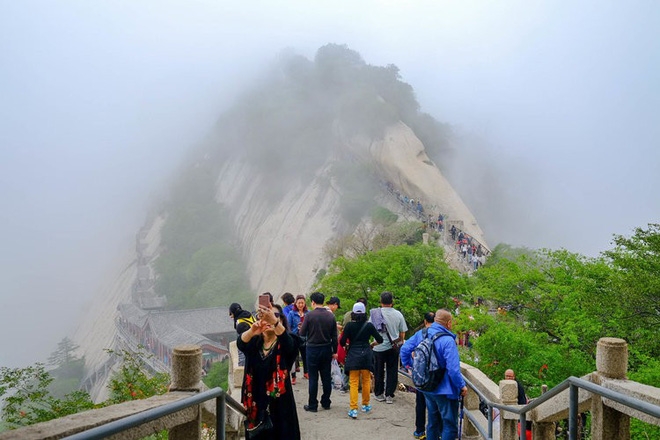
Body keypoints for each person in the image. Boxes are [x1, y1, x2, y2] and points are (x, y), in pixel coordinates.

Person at [400, 309, 467, 440]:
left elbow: (404, 349)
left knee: (432, 422)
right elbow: (453, 370)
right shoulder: (448, 340)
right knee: (449, 425)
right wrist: (462, 386)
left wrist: (410, 367)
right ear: (448, 323)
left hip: (426, 386)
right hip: (444, 390)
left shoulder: (422, 333)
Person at [237, 302, 300, 440]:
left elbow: (290, 346)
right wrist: (252, 331)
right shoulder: (254, 344)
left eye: (275, 315)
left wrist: (275, 323)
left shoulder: (287, 342)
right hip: (256, 406)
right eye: (265, 315)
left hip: (280, 407)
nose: (270, 318)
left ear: (282, 320)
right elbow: (240, 343)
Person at [340, 302, 383, 419]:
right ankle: (366, 405)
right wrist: (372, 344)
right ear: (364, 313)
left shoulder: (349, 326)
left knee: (353, 383)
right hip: (366, 356)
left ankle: (353, 409)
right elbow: (380, 339)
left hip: (353, 355)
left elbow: (342, 342)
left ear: (353, 313)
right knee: (366, 381)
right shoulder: (369, 326)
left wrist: (348, 344)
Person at [300, 291, 338, 412]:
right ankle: (326, 402)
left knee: (313, 378)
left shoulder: (309, 316)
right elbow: (334, 337)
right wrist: (335, 351)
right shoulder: (331, 316)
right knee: (326, 377)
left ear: (313, 302)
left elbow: (302, 333)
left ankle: (312, 405)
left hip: (312, 349)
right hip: (326, 348)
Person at [370, 291, 408, 404]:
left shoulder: (375, 314)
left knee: (378, 371)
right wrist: (399, 341)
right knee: (392, 371)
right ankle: (389, 395)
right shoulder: (398, 315)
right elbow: (402, 333)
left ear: (381, 301)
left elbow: (370, 329)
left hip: (378, 347)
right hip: (393, 347)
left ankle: (379, 393)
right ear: (392, 302)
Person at [407, 311, 436, 440]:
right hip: (436, 376)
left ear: (425, 321)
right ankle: (435, 433)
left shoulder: (419, 334)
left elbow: (405, 349)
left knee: (420, 403)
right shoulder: (442, 335)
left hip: (421, 376)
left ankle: (420, 431)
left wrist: (409, 366)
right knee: (435, 406)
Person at [287, 295, 309, 385]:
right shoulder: (292, 313)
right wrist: (297, 328)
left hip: (305, 338)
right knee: (294, 357)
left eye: (302, 303)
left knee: (305, 356)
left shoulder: (308, 313)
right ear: (296, 303)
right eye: (299, 303)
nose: (300, 304)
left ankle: (306, 372)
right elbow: (288, 326)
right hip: (295, 337)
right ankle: (293, 376)